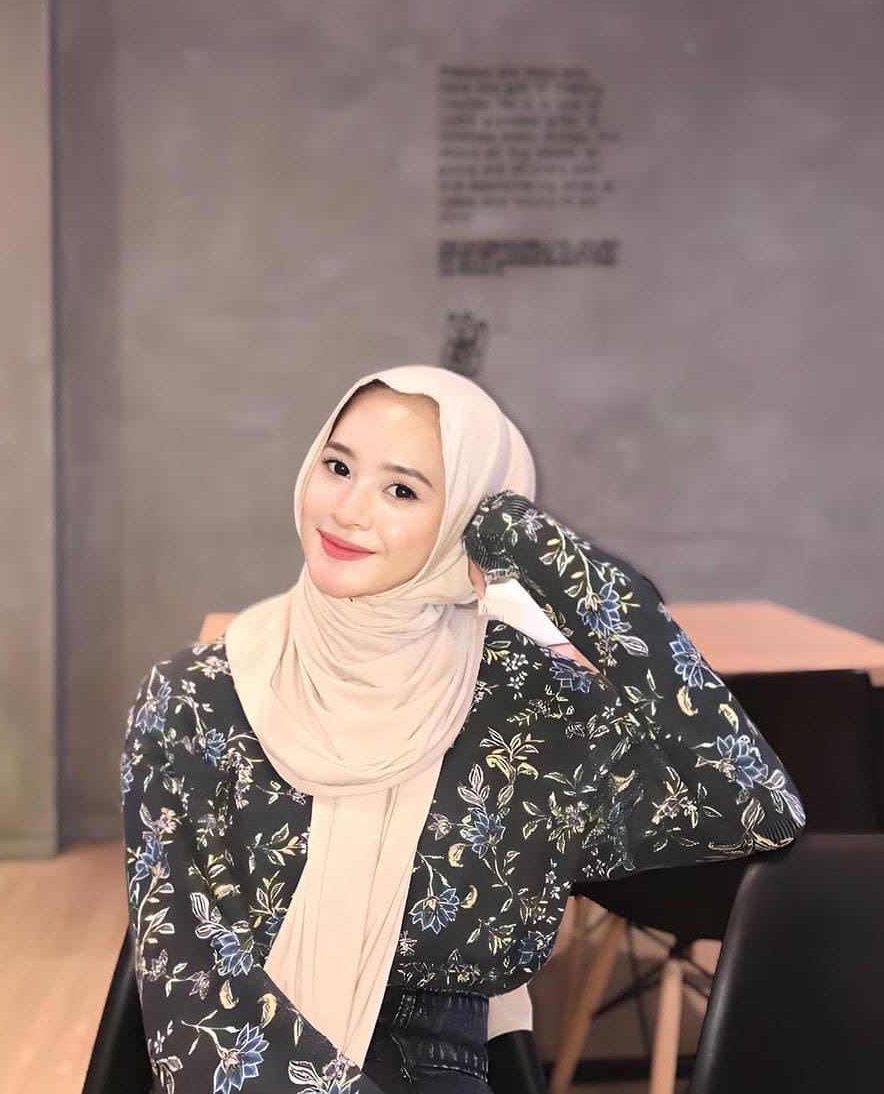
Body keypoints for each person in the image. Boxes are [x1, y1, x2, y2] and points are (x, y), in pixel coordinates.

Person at [121, 365, 805, 1094]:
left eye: (402, 490)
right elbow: (190, 976)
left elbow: (755, 806)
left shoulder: (522, 702)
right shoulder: (194, 696)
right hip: (236, 1065)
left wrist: (544, 553)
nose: (348, 510)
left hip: (438, 1065)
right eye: (338, 467)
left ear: (466, 522)